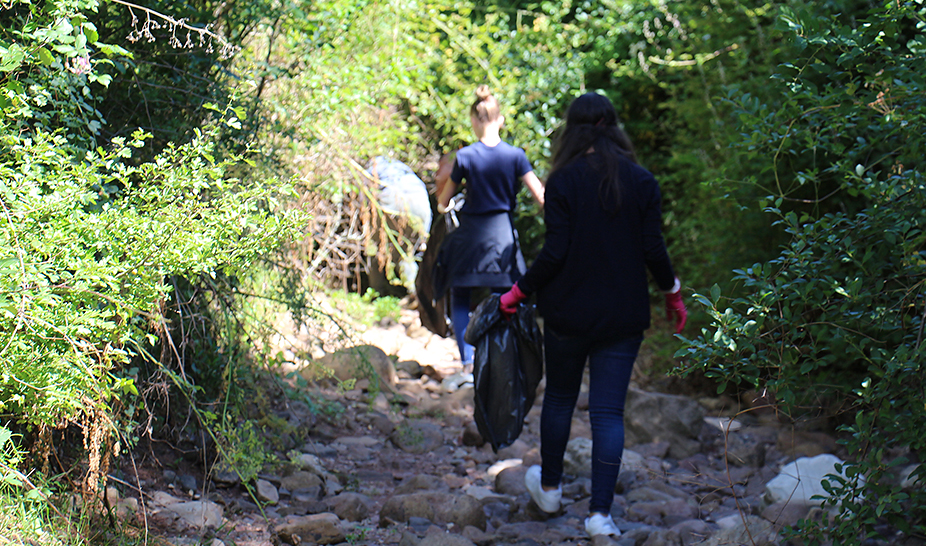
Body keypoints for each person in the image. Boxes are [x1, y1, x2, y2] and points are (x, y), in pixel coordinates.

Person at [497, 92, 687, 538]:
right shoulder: (642, 181)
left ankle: (549, 489)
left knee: (560, 399)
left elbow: (555, 252)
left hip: (568, 313)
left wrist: (517, 292)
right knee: (608, 413)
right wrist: (673, 294)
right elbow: (653, 249)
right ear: (614, 127)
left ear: (572, 130)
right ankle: (601, 516)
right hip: (623, 315)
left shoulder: (563, 181)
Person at [433, 85, 545, 366]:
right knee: (507, 296)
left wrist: (446, 202)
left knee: (460, 294)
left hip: (471, 237)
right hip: (502, 236)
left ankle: (468, 362)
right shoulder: (515, 156)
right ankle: (503, 361)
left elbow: (443, 202)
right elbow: (541, 196)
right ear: (501, 120)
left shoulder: (466, 157)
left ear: (473, 121)